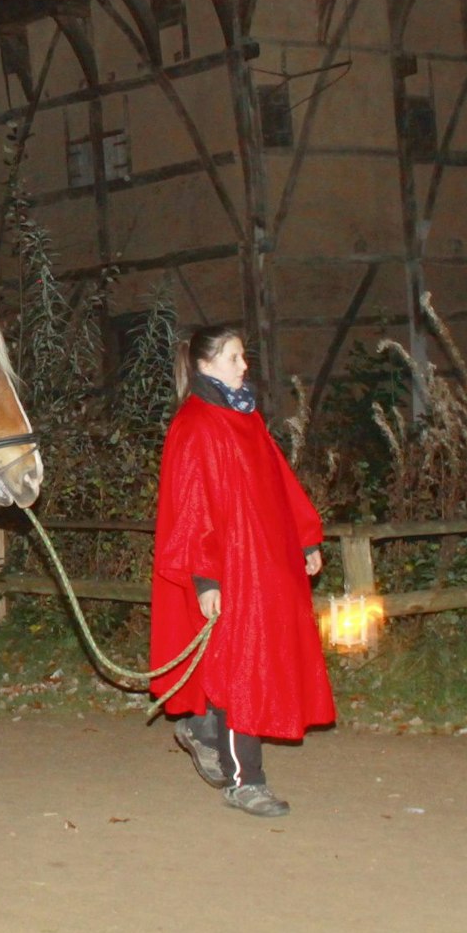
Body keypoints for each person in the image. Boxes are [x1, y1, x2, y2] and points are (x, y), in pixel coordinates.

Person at [149, 323, 334, 817]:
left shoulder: (245, 417)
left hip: (263, 565)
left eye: (243, 356)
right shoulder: (195, 424)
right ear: (205, 365)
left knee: (259, 660)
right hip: (226, 568)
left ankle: (205, 726)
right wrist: (205, 578)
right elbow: (191, 507)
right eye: (234, 357)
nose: (244, 365)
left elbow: (278, 480)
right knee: (239, 669)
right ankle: (245, 781)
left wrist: (305, 535)